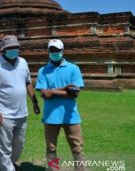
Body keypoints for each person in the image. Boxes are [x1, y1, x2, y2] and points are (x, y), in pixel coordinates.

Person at [0, 35, 40, 171]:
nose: (14, 50)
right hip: (5, 114)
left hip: (22, 113)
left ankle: (10, 163)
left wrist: (34, 101)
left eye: (16, 47)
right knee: (4, 147)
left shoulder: (23, 62)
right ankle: (7, 168)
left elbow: (27, 82)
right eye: (10, 48)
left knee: (19, 145)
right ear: (3, 50)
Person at [35, 39, 85, 171]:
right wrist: (64, 88)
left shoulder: (73, 68)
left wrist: (52, 91)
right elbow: (44, 94)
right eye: (52, 50)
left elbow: (75, 94)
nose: (54, 52)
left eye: (57, 50)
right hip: (51, 116)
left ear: (63, 51)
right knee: (51, 148)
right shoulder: (43, 71)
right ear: (48, 51)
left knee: (77, 148)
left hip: (71, 115)